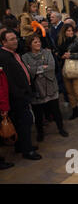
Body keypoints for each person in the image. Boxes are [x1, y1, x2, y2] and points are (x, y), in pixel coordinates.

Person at [0, 30, 42, 160]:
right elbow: (8, 81)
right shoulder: (4, 56)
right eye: (11, 39)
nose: (15, 41)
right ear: (4, 42)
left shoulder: (13, 53)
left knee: (22, 123)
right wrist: (21, 94)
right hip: (17, 97)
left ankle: (22, 146)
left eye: (15, 38)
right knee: (25, 122)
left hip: (22, 94)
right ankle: (27, 151)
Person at [22, 34, 68, 141]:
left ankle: (61, 128)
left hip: (50, 85)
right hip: (37, 88)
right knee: (38, 114)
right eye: (35, 42)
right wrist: (42, 67)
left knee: (56, 110)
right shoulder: (25, 57)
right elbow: (28, 72)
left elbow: (51, 67)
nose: (38, 44)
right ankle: (40, 133)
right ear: (29, 45)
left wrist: (35, 68)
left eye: (39, 42)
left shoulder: (47, 53)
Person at [57, 24, 78, 120]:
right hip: (65, 68)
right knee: (69, 92)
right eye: (68, 31)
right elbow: (58, 54)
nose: (70, 32)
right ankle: (75, 110)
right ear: (64, 32)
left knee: (77, 90)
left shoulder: (77, 40)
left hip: (75, 68)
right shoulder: (60, 41)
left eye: (71, 30)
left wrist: (70, 56)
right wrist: (61, 56)